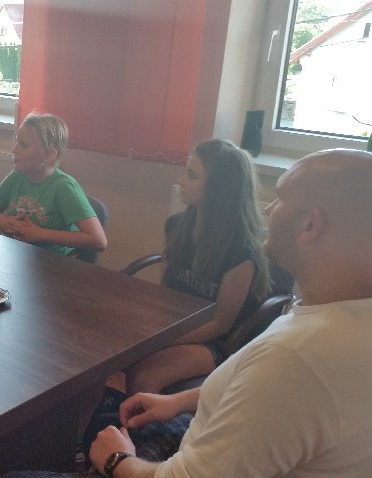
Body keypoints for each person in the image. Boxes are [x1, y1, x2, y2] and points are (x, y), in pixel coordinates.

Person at [87, 148, 372, 477]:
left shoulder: (295, 358)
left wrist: (116, 459)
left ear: (310, 224)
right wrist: (179, 401)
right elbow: (260, 394)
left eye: (280, 198)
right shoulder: (336, 319)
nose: (269, 208)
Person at [124, 139, 272, 394]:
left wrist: (163, 340)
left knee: (143, 378)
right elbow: (166, 293)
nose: (180, 180)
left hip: (215, 342)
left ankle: (147, 421)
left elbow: (220, 324)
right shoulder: (176, 225)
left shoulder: (241, 252)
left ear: (219, 188)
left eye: (192, 175)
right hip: (176, 325)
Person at [0, 112, 107, 256]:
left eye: (24, 145)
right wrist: (2, 220)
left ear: (48, 155)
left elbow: (98, 240)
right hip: (17, 255)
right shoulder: (18, 175)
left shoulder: (64, 187)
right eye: (16, 141)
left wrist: (40, 234)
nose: (14, 149)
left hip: (51, 262)